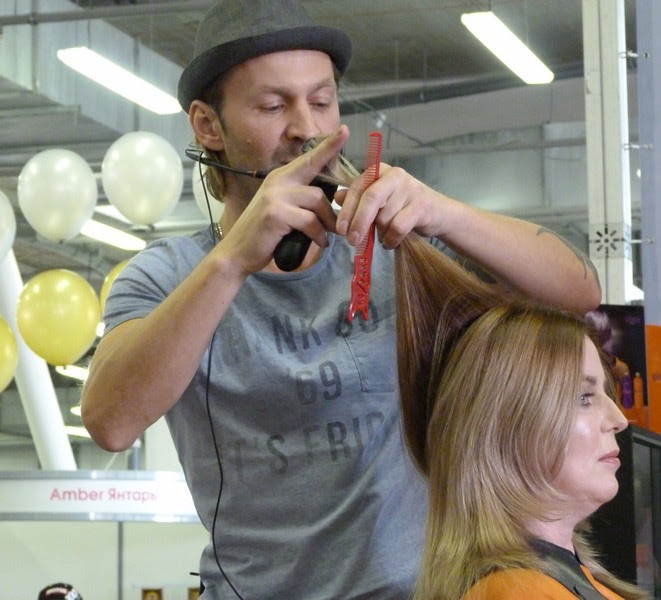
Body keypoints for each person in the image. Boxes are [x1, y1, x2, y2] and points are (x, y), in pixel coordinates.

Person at [80, 0, 601, 598]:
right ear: (208, 126)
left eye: (322, 101)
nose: (306, 128)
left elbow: (578, 289)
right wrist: (232, 261)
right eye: (273, 106)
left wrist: (442, 213)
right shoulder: (168, 276)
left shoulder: (399, 251)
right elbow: (111, 422)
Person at [394, 236, 647, 599]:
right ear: (509, 427)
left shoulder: (560, 580)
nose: (618, 419)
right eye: (584, 397)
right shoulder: (517, 592)